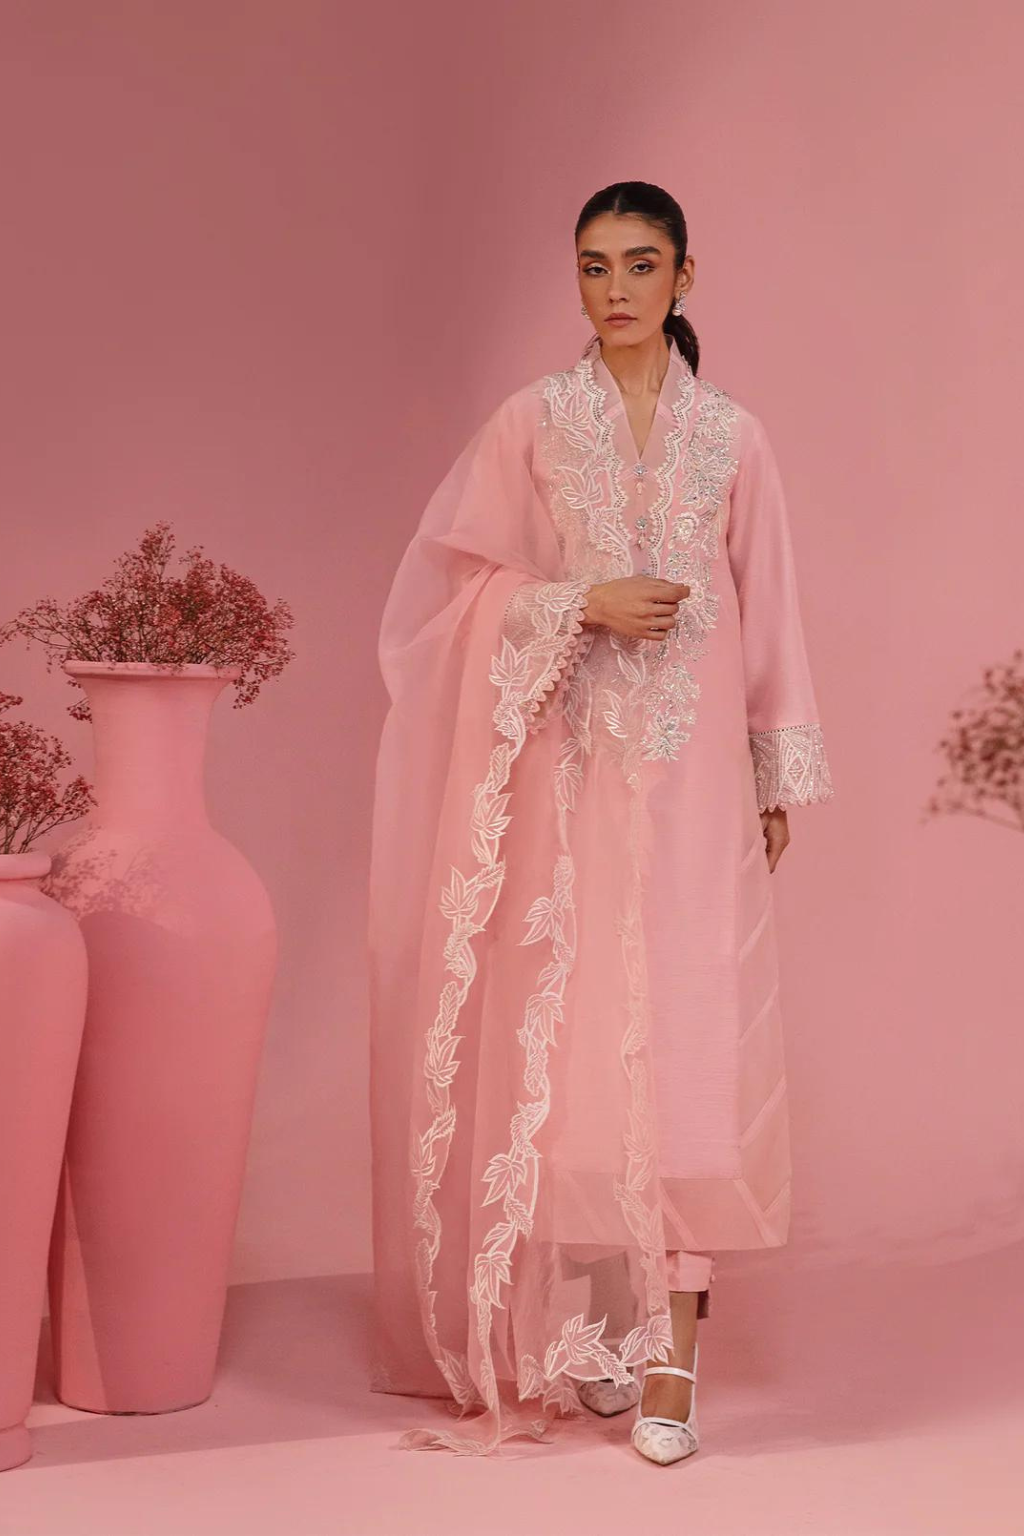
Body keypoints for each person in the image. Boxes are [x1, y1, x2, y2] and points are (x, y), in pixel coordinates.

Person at [366, 180, 834, 1463]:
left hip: (694, 790)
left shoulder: (731, 438)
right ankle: (602, 1327)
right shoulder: (532, 423)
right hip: (567, 781)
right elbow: (446, 595)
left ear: (684, 277)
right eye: (592, 265)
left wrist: (772, 776)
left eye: (639, 263)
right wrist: (579, 602)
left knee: (690, 1056)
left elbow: (773, 611)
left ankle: (675, 1359)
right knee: (569, 1062)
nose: (614, 288)